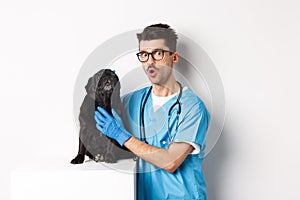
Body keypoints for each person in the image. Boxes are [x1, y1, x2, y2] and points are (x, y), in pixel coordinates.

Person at [94, 23, 210, 200]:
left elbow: (171, 162)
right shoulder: (130, 101)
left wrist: (121, 135)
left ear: (174, 57)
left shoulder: (192, 108)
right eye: (144, 55)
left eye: (158, 53)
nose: (150, 61)